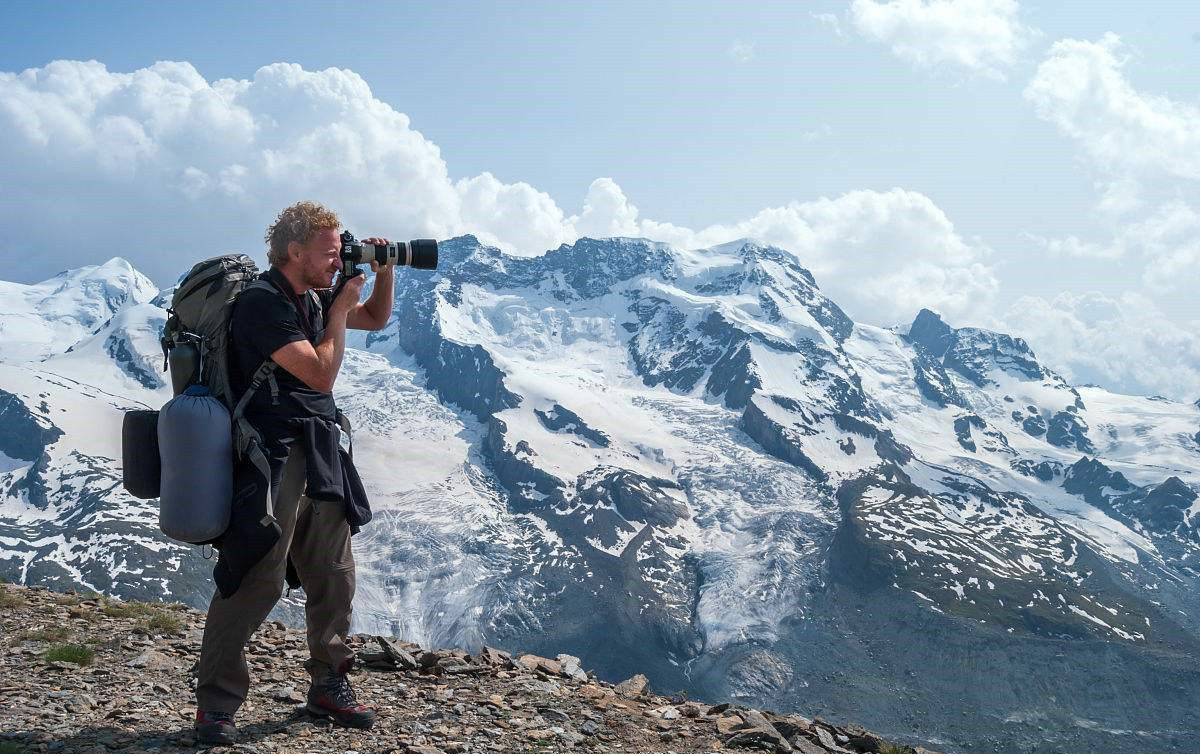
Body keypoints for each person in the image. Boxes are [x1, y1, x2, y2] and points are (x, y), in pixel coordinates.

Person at [193, 201, 394, 745]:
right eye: (330, 253)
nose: (339, 260)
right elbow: (320, 373)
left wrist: (384, 273)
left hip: (320, 449)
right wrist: (337, 311)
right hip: (273, 455)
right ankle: (215, 705)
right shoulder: (263, 304)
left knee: (332, 571)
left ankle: (329, 683)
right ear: (295, 252)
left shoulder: (314, 292)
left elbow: (374, 319)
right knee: (256, 574)